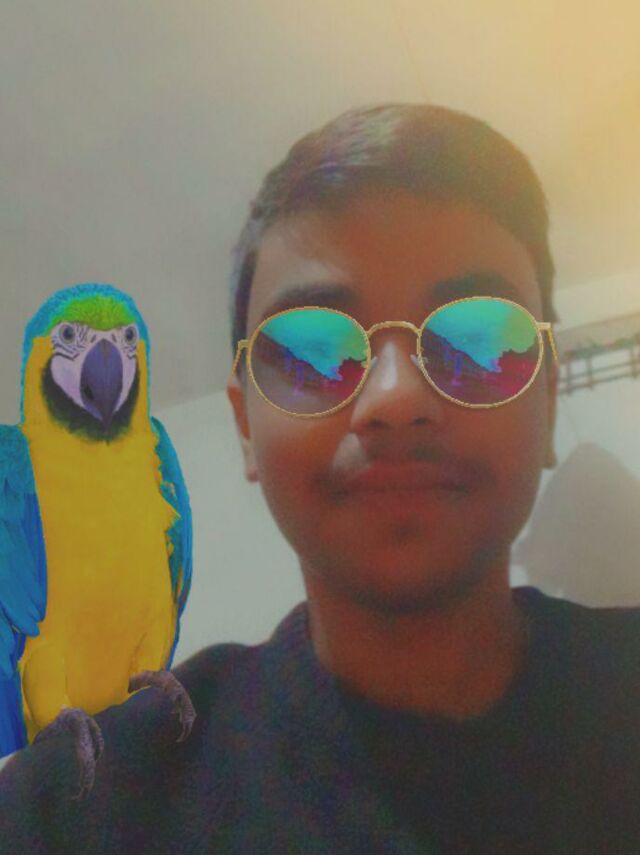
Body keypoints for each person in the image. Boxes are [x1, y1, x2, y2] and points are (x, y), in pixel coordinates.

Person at [0, 103, 638, 854]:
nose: (395, 397)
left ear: (550, 396)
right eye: (310, 352)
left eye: (480, 340)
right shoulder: (64, 815)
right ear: (244, 423)